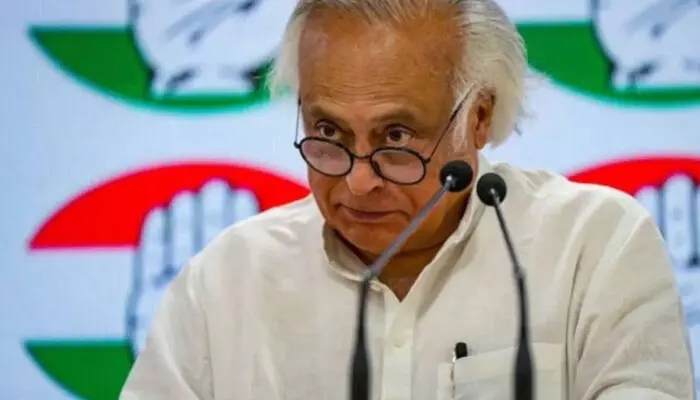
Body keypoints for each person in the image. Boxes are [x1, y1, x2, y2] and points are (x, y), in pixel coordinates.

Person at [119, 0, 695, 398]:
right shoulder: (226, 282)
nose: (357, 182)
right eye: (327, 133)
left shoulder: (593, 249)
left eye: (396, 138)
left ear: (479, 116)